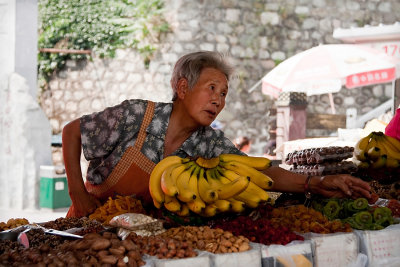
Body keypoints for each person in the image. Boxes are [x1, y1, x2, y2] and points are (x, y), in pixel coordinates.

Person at [62, 51, 371, 218]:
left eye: (224, 94)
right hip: (88, 223)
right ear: (182, 88)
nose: (218, 101)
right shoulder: (136, 115)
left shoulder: (209, 143)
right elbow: (72, 131)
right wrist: (77, 194)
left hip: (141, 238)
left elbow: (264, 174)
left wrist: (318, 183)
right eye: (212, 89)